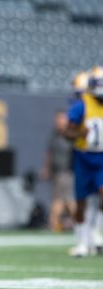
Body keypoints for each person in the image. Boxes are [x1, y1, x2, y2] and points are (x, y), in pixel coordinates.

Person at [64, 66, 103, 257]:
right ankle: (82, 241)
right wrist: (79, 132)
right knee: (81, 202)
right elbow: (66, 131)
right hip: (84, 157)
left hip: (102, 157)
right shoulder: (82, 105)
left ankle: (96, 233)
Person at [40, 110, 76, 233]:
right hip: (57, 171)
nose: (58, 121)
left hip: (67, 170)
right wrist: (46, 168)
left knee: (61, 200)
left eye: (61, 118)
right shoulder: (54, 134)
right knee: (66, 200)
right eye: (57, 119)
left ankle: (53, 224)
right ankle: (78, 223)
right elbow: (49, 154)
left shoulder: (71, 135)